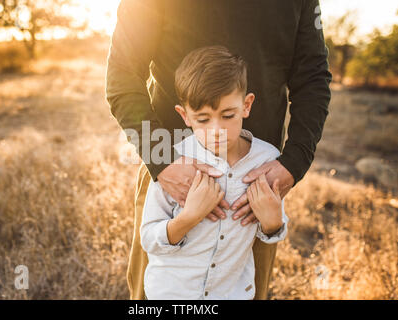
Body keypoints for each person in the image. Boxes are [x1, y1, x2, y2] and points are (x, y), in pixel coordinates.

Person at [106, 0, 332, 299]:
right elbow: (122, 75)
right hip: (172, 170)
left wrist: (293, 163)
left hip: (257, 182)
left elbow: (313, 77)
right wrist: (163, 161)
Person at [141, 46, 289, 299]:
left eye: (228, 115)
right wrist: (188, 218)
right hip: (172, 294)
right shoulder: (174, 162)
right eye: (203, 119)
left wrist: (274, 222)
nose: (217, 129)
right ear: (184, 115)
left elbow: (273, 230)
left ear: (246, 105)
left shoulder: (267, 160)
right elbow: (148, 239)